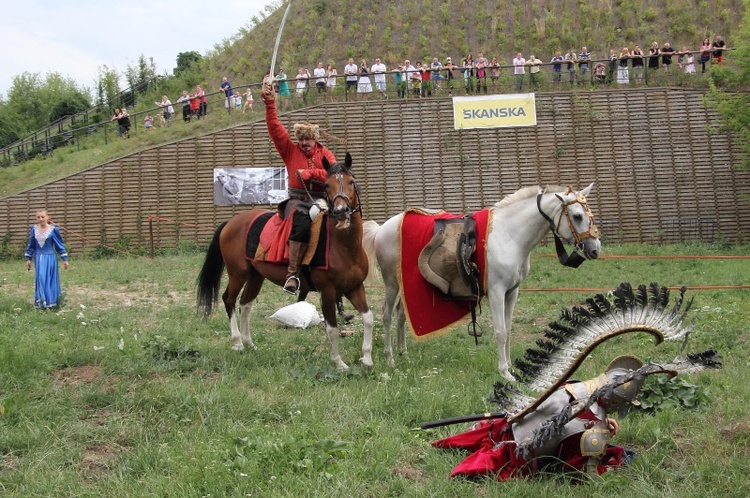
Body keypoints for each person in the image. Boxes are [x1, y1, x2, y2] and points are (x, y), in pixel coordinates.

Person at [260, 81, 337, 295]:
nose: (303, 143)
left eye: (307, 139)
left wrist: (311, 173)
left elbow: (333, 174)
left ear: (315, 139)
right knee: (303, 222)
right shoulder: (289, 150)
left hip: (322, 198)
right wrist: (269, 102)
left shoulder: (326, 154)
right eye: (300, 139)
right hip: (298, 201)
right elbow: (275, 127)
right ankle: (292, 274)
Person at [24, 209, 69, 309]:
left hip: (50, 258)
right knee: (41, 278)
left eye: (42, 217)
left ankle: (51, 302)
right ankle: (41, 302)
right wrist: (28, 258)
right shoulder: (34, 229)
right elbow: (31, 246)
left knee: (50, 279)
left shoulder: (53, 230)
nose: (40, 219)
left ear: (47, 217)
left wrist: (65, 259)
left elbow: (59, 245)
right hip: (39, 258)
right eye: (38, 217)